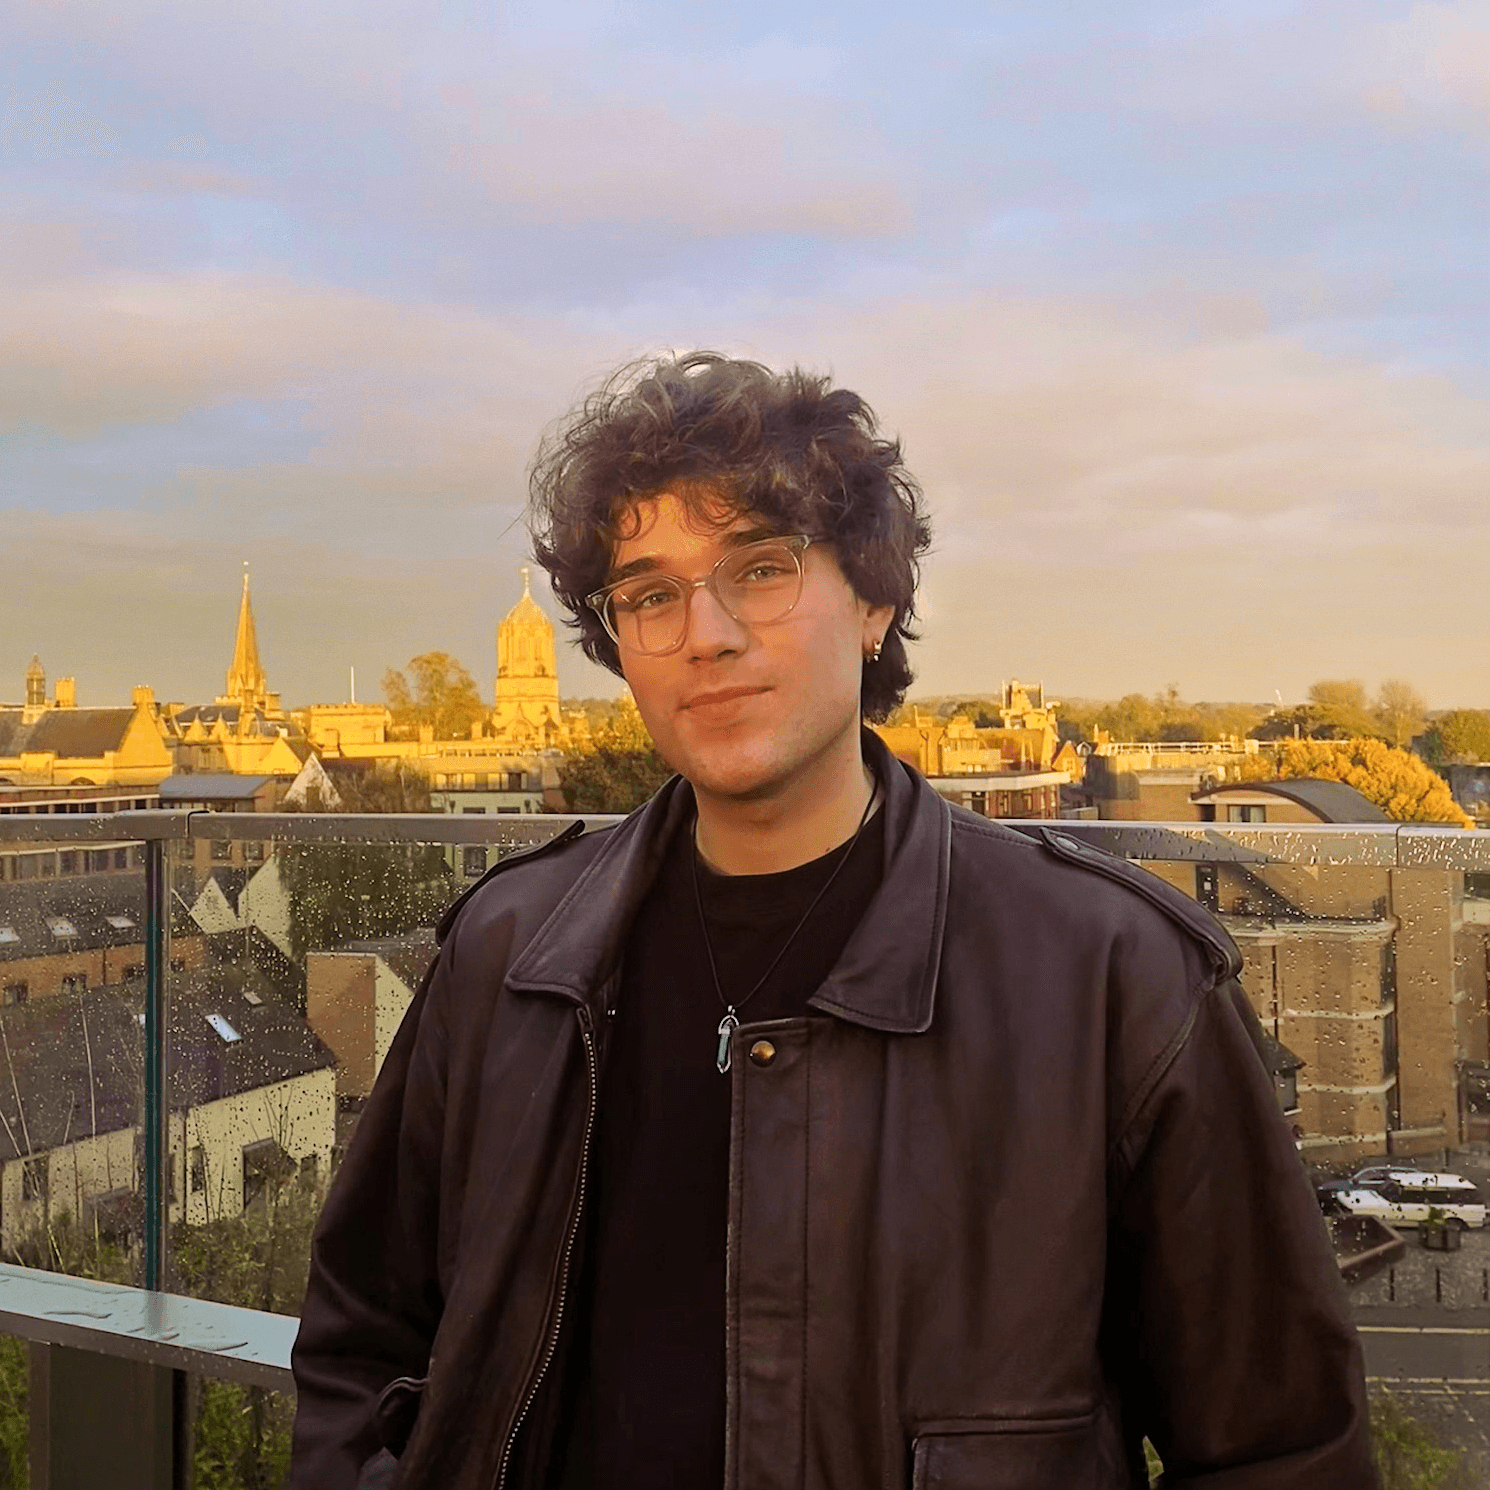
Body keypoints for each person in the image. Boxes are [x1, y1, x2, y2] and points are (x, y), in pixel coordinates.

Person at [289, 353, 1378, 1489]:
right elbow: (362, 1338)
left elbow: (1279, 1445)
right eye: (651, 594)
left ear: (873, 599)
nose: (702, 633)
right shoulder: (508, 951)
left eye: (757, 568)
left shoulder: (1113, 979)